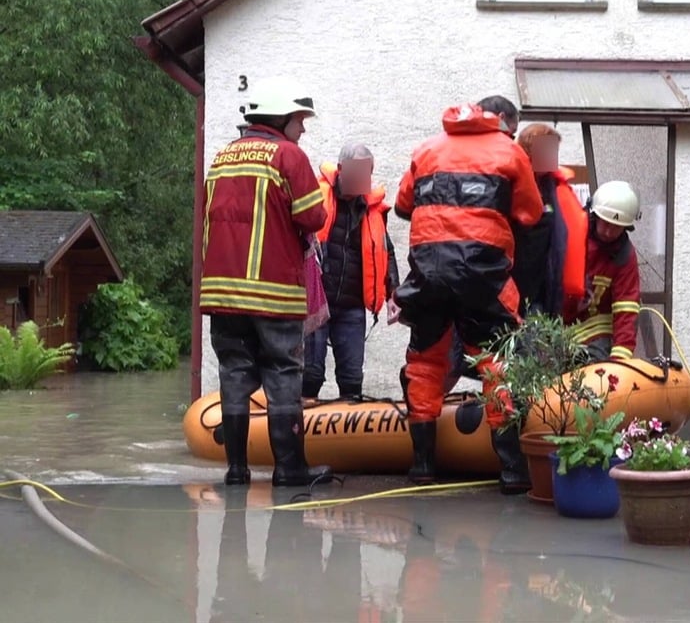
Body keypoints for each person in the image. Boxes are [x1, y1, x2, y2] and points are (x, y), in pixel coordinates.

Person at [393, 95, 543, 492]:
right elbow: (529, 213)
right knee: (498, 362)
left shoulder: (425, 149)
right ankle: (511, 469)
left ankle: (423, 466)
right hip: (483, 272)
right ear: (501, 121)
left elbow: (403, 205)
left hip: (428, 273)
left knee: (425, 363)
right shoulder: (509, 152)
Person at [200, 76, 332, 487]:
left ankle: (237, 470)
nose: (303, 130)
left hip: (222, 292)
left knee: (235, 374)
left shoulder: (223, 157)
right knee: (283, 374)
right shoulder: (288, 156)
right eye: (299, 121)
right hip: (273, 292)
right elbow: (313, 218)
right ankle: (289, 469)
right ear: (281, 120)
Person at [301, 143, 400, 400]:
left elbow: (385, 251)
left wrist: (393, 294)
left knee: (352, 377)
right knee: (311, 373)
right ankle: (296, 428)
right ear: (341, 169)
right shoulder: (315, 198)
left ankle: (349, 428)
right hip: (316, 302)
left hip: (351, 306)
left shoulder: (372, 210)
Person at [511, 123, 588, 319]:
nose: (554, 156)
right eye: (549, 149)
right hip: (513, 287)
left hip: (545, 288)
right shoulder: (511, 183)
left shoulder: (553, 187)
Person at [565, 180, 642, 361]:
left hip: (598, 341)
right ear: (595, 215)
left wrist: (619, 363)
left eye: (616, 226)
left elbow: (627, 309)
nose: (608, 231)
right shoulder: (571, 236)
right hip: (557, 332)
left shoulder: (624, 256)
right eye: (605, 223)